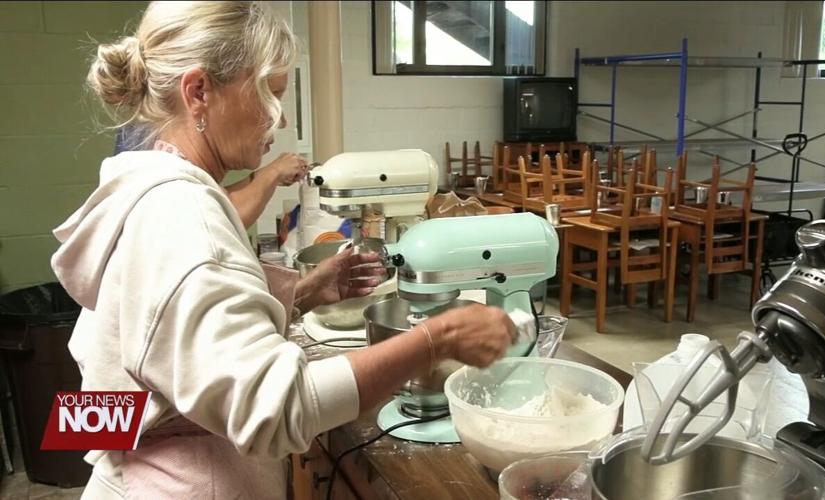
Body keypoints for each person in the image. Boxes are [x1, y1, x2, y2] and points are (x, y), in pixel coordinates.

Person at [52, 2, 517, 498]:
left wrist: (306, 291)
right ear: (199, 92)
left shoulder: (140, 183)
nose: (282, 116)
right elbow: (275, 409)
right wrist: (437, 340)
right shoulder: (183, 214)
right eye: (270, 93)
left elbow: (139, 361)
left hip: (124, 472)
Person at [114, 122, 306, 227]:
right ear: (198, 92)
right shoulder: (165, 175)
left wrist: (268, 175)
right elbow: (217, 220)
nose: (281, 121)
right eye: (268, 96)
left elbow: (215, 200)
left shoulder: (171, 160)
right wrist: (273, 172)